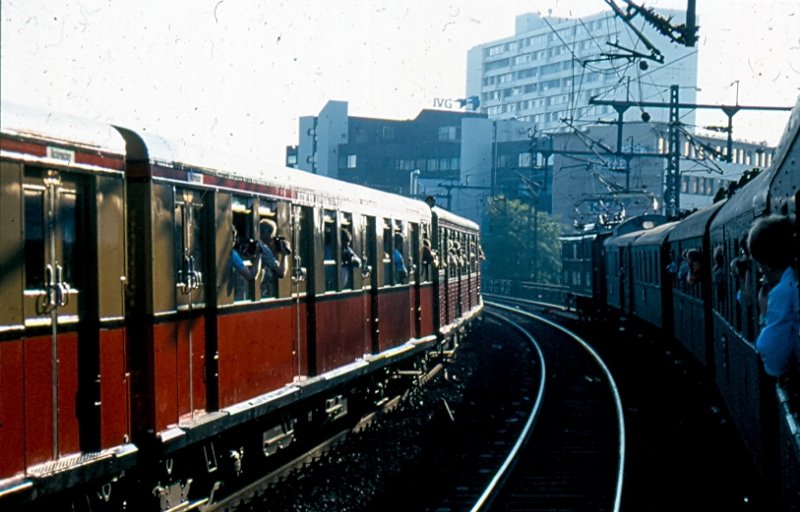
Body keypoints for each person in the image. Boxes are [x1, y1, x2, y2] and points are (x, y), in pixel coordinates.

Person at [747, 214, 800, 377]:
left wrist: (764, 314)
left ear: (767, 265)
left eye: (760, 265)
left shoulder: (783, 291)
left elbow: (773, 360)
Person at [256, 218, 291, 297]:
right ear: (267, 233)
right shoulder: (264, 249)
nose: (272, 239)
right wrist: (284, 255)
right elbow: (281, 272)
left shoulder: (257, 245)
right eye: (272, 235)